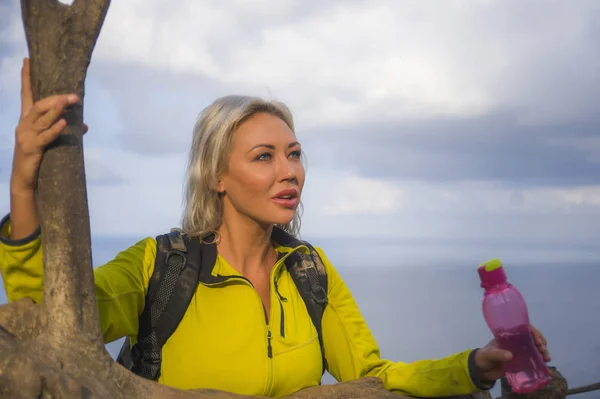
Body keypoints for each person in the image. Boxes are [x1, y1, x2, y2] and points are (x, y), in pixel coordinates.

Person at [0, 58, 551, 397]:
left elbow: (374, 375)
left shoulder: (309, 270)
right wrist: (23, 187)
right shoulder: (157, 267)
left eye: (294, 153)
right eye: (264, 156)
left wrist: (474, 367)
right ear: (217, 175)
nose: (289, 170)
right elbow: (52, 315)